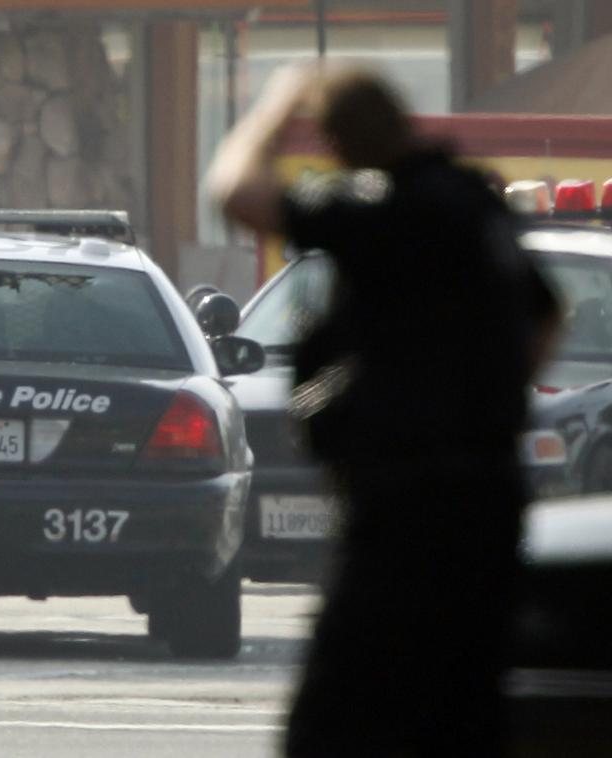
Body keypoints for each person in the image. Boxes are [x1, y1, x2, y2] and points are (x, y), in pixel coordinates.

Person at [206, 64, 561, 757]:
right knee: (460, 713)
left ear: (337, 142)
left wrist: (278, 107)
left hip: (408, 506)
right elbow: (545, 320)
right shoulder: (472, 201)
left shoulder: (393, 213)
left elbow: (235, 192)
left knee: (331, 722)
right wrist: (481, 400)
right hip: (487, 501)